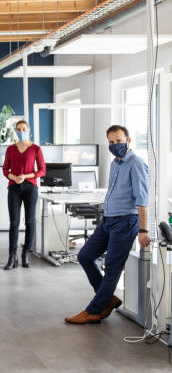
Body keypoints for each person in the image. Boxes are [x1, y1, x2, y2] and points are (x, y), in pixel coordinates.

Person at [65, 125, 149, 324]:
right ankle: (107, 299)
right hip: (108, 219)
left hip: (126, 222)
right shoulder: (115, 163)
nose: (114, 145)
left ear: (128, 141)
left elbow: (142, 199)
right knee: (84, 256)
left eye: (118, 141)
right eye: (111, 142)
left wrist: (143, 229)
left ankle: (94, 310)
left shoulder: (136, 163)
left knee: (111, 266)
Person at [2, 120, 46, 270]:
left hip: (30, 187)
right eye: (19, 129)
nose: (21, 131)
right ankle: (12, 256)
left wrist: (26, 176)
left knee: (30, 221)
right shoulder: (11, 149)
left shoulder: (35, 149)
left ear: (29, 130)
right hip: (14, 187)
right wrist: (13, 177)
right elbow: (5, 169)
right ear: (16, 131)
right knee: (14, 223)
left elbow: (42, 170)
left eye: (24, 129)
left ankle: (25, 253)